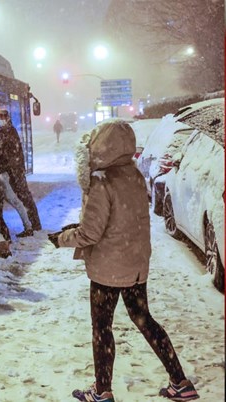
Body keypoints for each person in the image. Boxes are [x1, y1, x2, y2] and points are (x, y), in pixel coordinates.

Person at [48, 120, 199, 402]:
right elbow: (120, 219)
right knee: (144, 319)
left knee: (102, 327)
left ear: (101, 145)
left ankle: (102, 392)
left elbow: (91, 233)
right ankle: (180, 382)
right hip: (135, 264)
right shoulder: (133, 173)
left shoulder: (101, 181)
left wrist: (62, 238)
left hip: (108, 269)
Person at [0, 108, 42, 235]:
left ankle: (34, 224)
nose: (0, 119)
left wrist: (15, 169)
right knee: (6, 197)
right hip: (6, 170)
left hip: (14, 170)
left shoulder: (10, 130)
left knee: (23, 195)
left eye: (2, 116)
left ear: (7, 118)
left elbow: (10, 151)